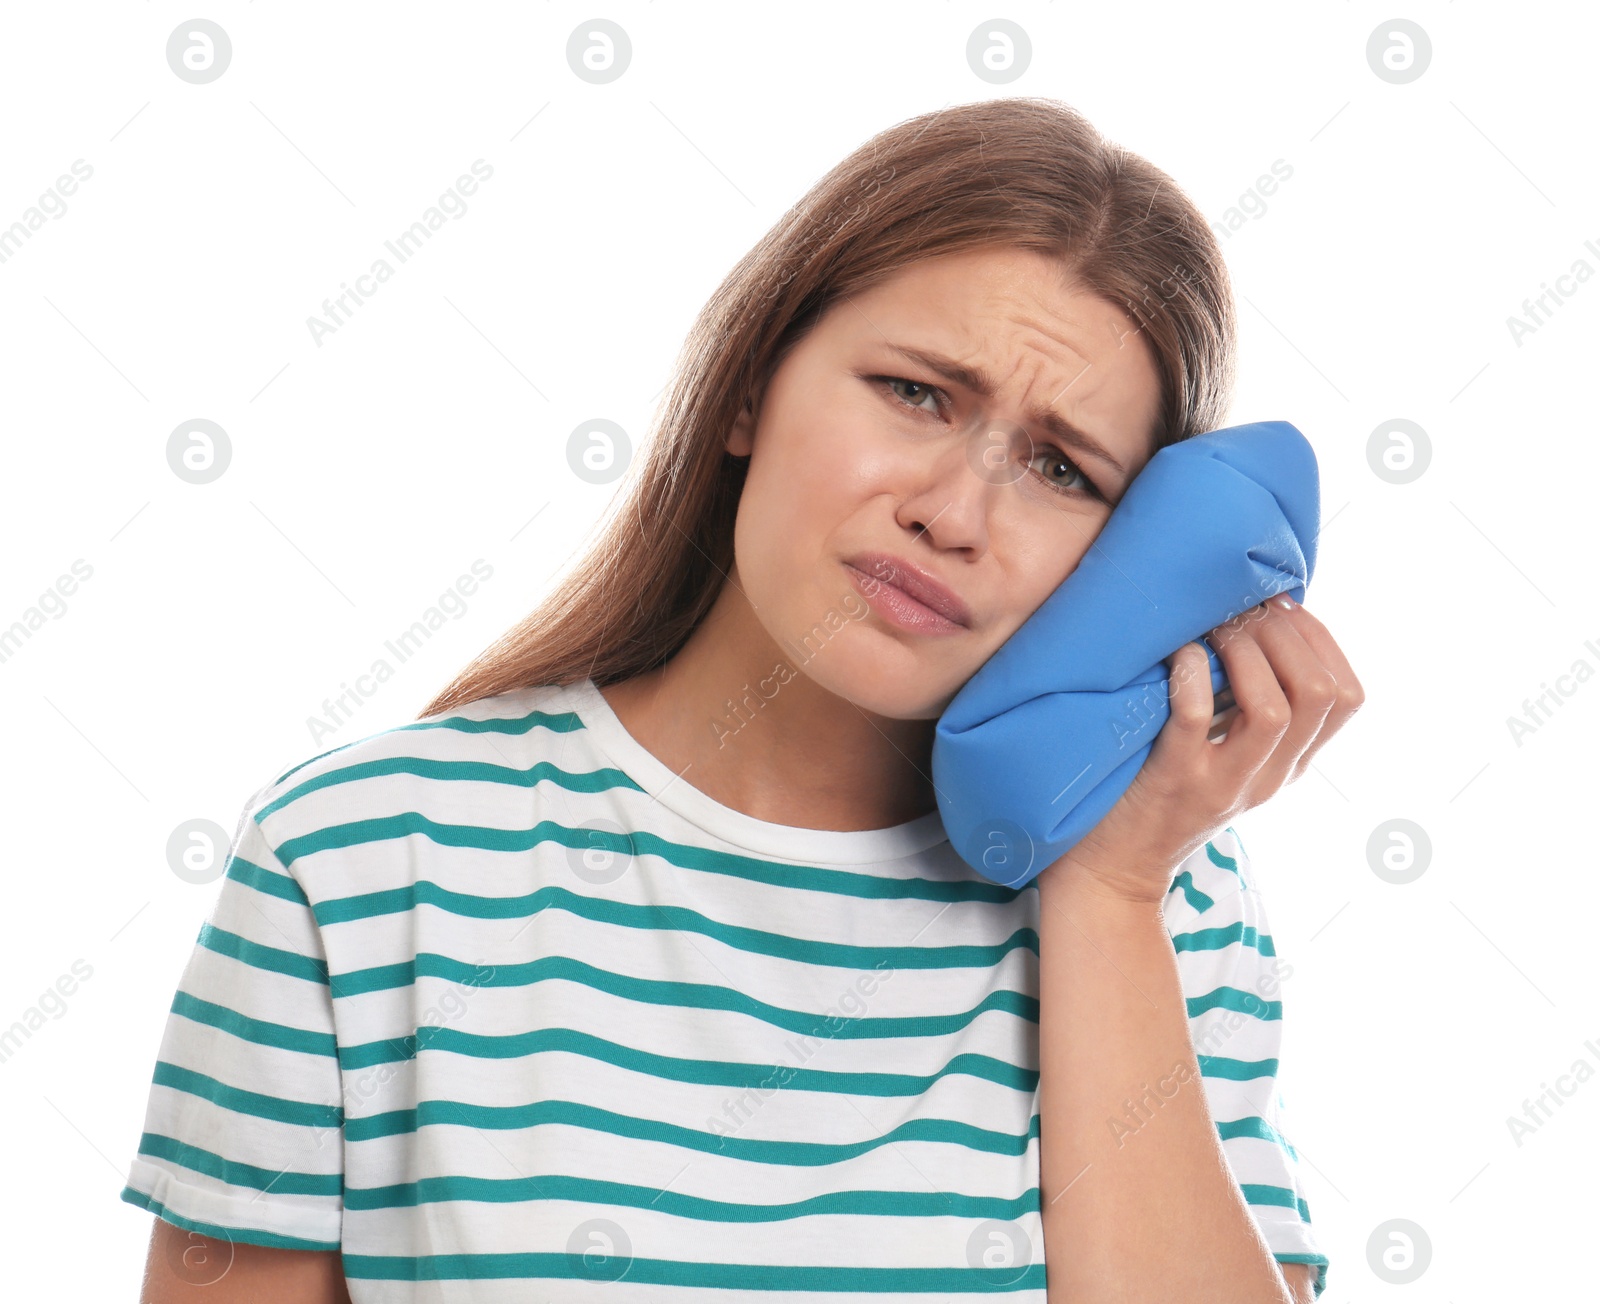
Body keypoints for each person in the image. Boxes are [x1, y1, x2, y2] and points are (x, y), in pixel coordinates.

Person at [122, 97, 1360, 1302]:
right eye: (917, 392)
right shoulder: (360, 856)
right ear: (746, 390)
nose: (954, 511)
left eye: (1059, 467)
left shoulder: (1168, 900)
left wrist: (1108, 892)